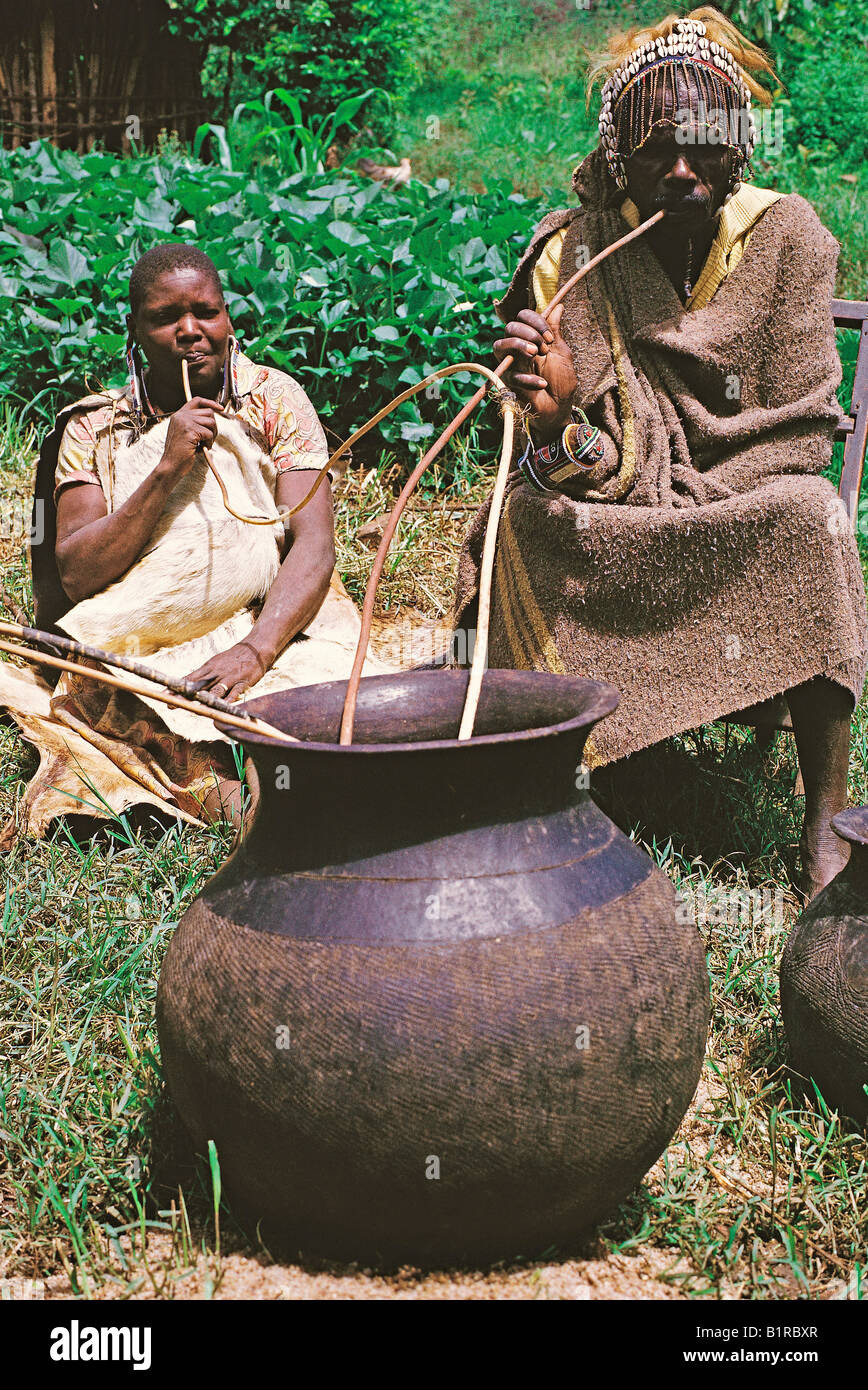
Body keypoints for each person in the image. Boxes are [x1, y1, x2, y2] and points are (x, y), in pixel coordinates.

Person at [453, 8, 868, 900]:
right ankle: (549, 768)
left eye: (704, 149)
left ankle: (824, 822)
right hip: (618, 502)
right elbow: (565, 457)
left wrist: (699, 495)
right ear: (617, 161)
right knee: (514, 523)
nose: (681, 171)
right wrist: (560, 411)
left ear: (738, 149)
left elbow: (799, 432)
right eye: (653, 152)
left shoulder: (790, 239)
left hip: (752, 498)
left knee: (815, 518)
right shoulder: (574, 252)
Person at [8, 243, 383, 837]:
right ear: (134, 330)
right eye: (165, 318)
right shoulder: (94, 427)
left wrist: (256, 651)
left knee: (327, 707)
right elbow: (78, 574)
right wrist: (165, 467)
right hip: (144, 633)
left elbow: (314, 544)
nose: (190, 332)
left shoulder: (273, 399)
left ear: (228, 317)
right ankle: (255, 814)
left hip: (272, 612)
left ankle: (311, 792)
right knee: (144, 721)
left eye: (206, 312)